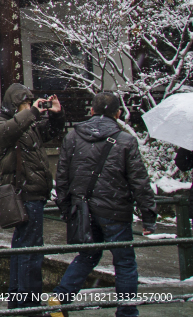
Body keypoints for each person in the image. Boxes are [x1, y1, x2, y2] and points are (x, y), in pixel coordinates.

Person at [49, 92, 157, 317]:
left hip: (84, 209)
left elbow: (62, 176)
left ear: (92, 111)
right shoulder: (126, 140)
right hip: (115, 209)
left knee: (88, 255)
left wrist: (66, 208)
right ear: (118, 114)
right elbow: (139, 181)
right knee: (124, 262)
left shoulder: (73, 137)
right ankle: (126, 312)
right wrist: (148, 216)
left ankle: (59, 299)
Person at [0, 83, 64, 309]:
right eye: (24, 104)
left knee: (24, 246)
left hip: (34, 191)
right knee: (31, 249)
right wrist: (31, 112)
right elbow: (8, 132)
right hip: (24, 193)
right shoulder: (2, 124)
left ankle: (18, 298)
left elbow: (51, 133)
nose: (28, 107)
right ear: (14, 105)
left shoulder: (28, 125)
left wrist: (56, 115)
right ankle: (28, 301)